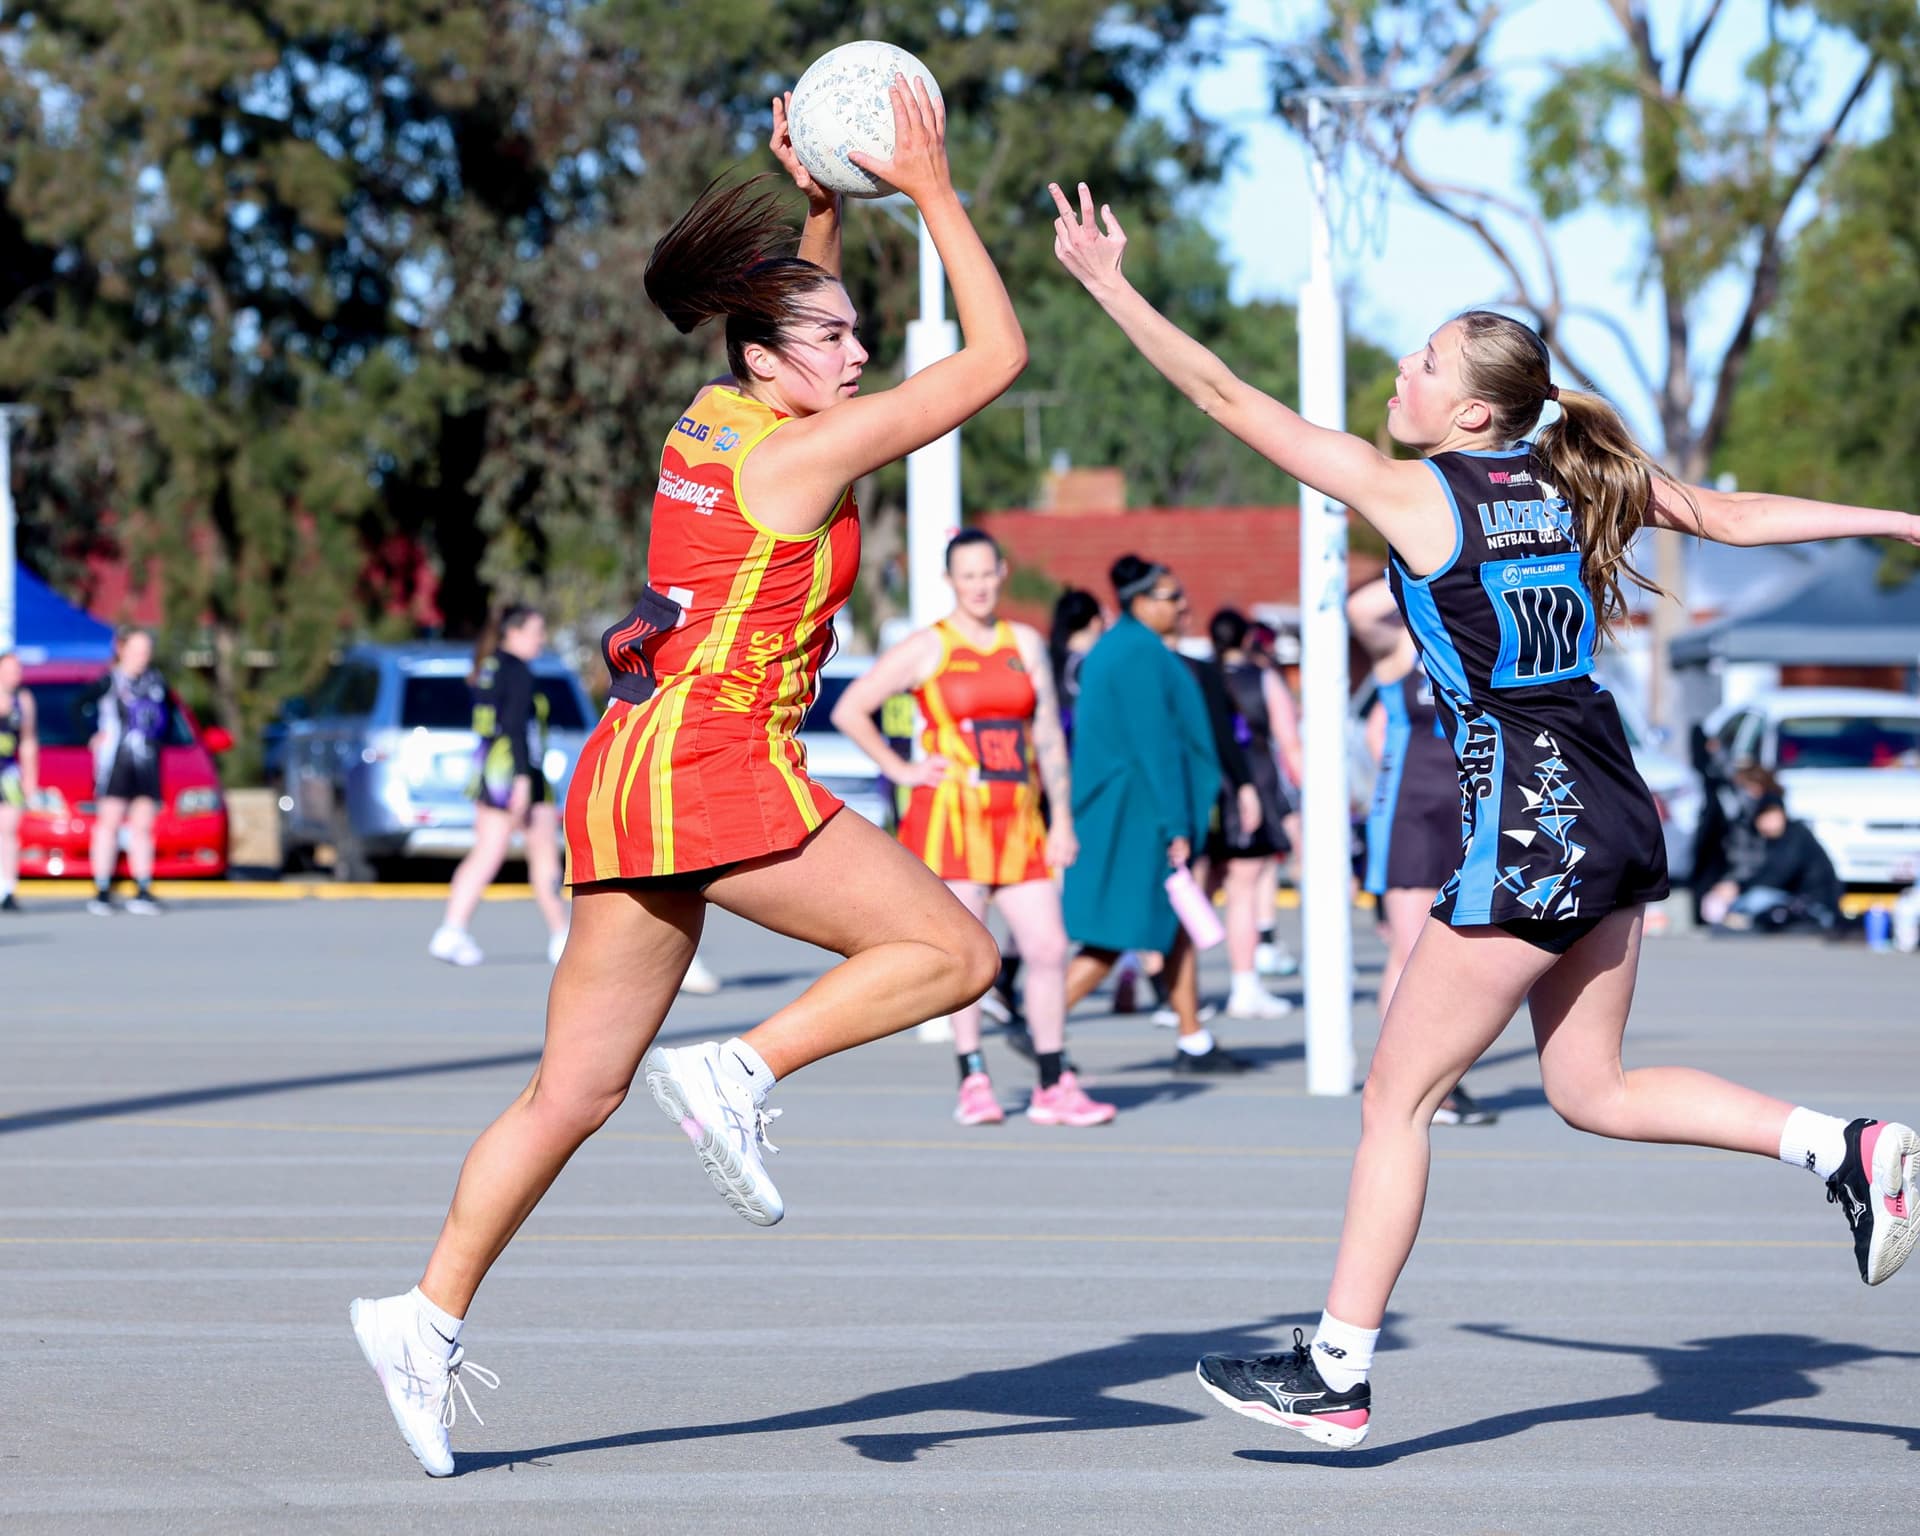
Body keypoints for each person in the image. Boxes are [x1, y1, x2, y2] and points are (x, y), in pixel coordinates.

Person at [1051, 181, 1920, 1449]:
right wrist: (1902, 519)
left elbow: (1226, 400)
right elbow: (1736, 518)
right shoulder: (1574, 478)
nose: (1402, 372)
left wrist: (1110, 286)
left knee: (1394, 1100)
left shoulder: (1422, 492)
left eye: (1425, 360)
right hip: (1611, 799)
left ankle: (1336, 1371)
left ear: (1469, 410)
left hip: (1533, 816)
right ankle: (1845, 1146)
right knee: (1591, 1089)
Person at [350, 80, 1023, 1477]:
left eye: (855, 331)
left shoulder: (717, 414)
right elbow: (996, 357)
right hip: (710, 760)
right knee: (956, 953)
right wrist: (934, 191)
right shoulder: (809, 449)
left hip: (629, 767)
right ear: (774, 362)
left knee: (572, 1095)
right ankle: (738, 1067)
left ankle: (421, 1319)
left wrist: (825, 203)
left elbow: (792, 319)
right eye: (835, 336)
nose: (858, 350)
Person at [832, 528, 1115, 1127]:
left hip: (1017, 820)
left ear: (1002, 572)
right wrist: (902, 770)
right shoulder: (928, 647)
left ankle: (1052, 1081)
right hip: (953, 821)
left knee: (1048, 946)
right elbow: (851, 707)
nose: (980, 586)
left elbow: (1046, 734)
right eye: (968, 576)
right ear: (950, 581)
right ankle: (974, 1076)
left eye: (988, 574)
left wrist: (1062, 818)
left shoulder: (1024, 643)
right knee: (968, 953)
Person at [1061, 553, 1244, 1073]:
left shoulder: (1125, 647)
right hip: (1135, 814)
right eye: (1171, 596)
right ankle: (1040, 1025)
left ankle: (1193, 1038)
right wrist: (1175, 824)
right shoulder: (1137, 653)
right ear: (1139, 602)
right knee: (1116, 935)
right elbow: (1155, 745)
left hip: (1134, 808)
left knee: (1174, 922)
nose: (1182, 605)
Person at [1349, 578, 1496, 1126]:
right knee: (1410, 952)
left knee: (1460, 955)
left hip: (1472, 810)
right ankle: (1405, 1085)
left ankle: (1435, 1077)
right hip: (1409, 813)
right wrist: (1431, 561)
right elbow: (1360, 609)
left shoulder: (1473, 642)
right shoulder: (1401, 647)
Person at [428, 605, 571, 967]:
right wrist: (523, 780)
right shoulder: (517, 670)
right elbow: (515, 726)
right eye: (536, 632)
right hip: (516, 772)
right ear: (514, 632)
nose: (541, 640)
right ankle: (562, 936)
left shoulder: (489, 667)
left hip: (490, 771)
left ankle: (452, 929)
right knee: (543, 855)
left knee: (488, 852)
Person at [1197, 607, 1295, 1021]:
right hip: (1251, 789)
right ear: (1246, 639)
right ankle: (1244, 985)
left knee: (1198, 890)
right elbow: (1289, 740)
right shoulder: (1261, 678)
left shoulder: (1200, 677)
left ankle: (1173, 988)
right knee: (1243, 890)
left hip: (1207, 792)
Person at [83, 627, 168, 916]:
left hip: (147, 763)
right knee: (109, 823)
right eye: (136, 650)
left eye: (146, 651)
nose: (142, 657)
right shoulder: (111, 680)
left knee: (142, 826)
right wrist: (92, 734)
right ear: (121, 649)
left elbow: (165, 719)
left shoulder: (156, 682)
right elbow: (79, 705)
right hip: (116, 764)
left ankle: (142, 888)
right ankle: (102, 889)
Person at [1705, 793, 1844, 934]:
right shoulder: (1778, 839)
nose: (1767, 822)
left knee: (1755, 898)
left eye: (1772, 815)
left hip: (1816, 905)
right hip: (1800, 901)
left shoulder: (1796, 835)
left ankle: (1738, 918)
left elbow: (1778, 874)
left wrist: (1738, 888)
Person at [0, 650, 39, 913]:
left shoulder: (23, 700)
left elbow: (28, 740)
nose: (16, 674)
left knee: (9, 829)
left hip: (8, 771)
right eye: (10, 669)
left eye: (18, 670)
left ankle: (7, 888)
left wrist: (30, 779)